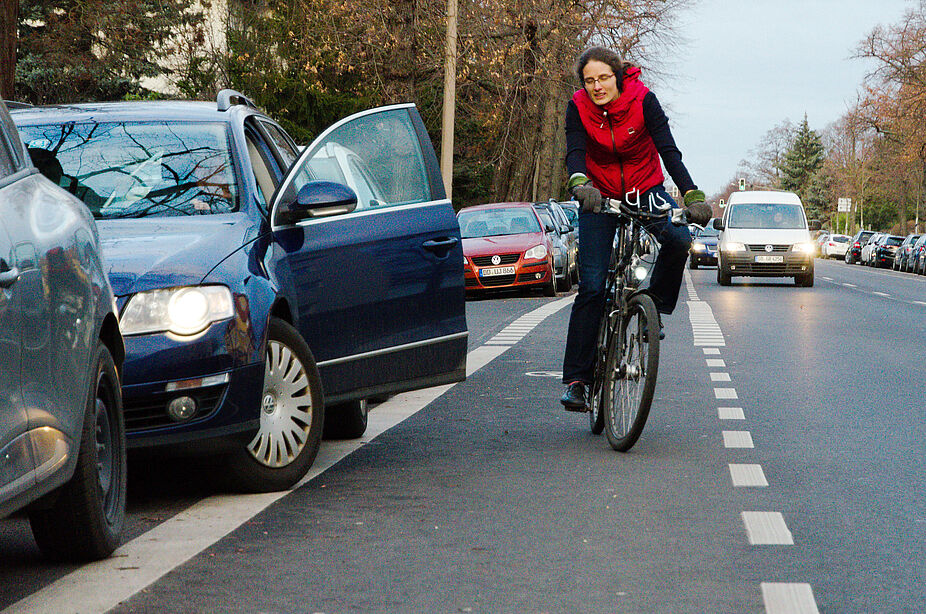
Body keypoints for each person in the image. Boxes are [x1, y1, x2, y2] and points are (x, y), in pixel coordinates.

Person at [560, 46, 712, 411]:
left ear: (618, 75)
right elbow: (574, 151)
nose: (597, 87)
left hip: (646, 190)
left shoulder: (644, 101)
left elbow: (669, 152)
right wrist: (581, 184)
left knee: (679, 240)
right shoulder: (578, 107)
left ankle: (655, 306)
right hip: (600, 196)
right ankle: (578, 380)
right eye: (590, 81)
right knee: (593, 285)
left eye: (603, 78)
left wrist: (692, 195)